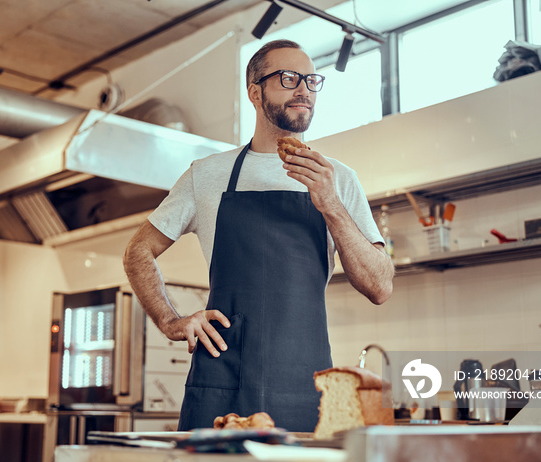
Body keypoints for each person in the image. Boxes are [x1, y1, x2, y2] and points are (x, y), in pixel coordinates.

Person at [123, 39, 394, 432]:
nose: (303, 89)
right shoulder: (207, 174)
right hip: (221, 380)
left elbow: (380, 286)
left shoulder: (337, 178)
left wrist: (330, 204)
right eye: (288, 78)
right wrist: (171, 320)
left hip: (306, 382)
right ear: (254, 92)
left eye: (311, 80)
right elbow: (137, 252)